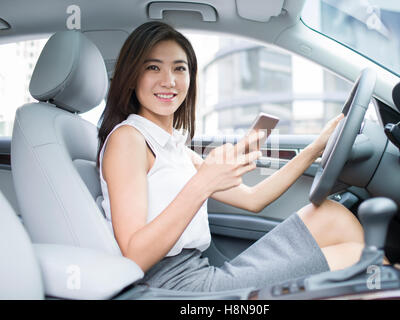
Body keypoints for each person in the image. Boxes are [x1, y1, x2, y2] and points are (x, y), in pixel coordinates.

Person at [97, 21, 364, 292]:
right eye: (153, 67)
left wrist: (315, 148)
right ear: (131, 77)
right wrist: (203, 184)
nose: (169, 81)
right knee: (358, 259)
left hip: (199, 270)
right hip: (175, 287)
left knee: (333, 216)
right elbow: (134, 256)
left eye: (179, 68)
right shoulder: (128, 139)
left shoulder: (175, 148)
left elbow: (253, 199)